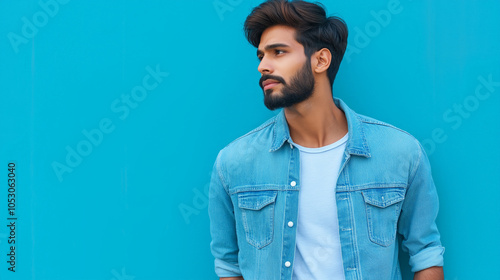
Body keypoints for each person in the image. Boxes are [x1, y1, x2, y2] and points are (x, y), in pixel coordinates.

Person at [208, 0, 445, 279]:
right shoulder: (234, 162)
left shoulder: (400, 152)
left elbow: (425, 253)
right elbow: (228, 264)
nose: (263, 66)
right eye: (261, 56)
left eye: (278, 52)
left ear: (321, 60)